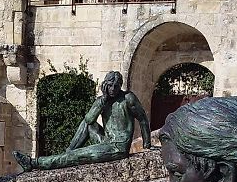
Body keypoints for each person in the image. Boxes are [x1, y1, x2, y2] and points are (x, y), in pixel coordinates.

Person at [13, 71, 151, 171]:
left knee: (77, 156)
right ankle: (69, 151)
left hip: (118, 147)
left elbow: (143, 119)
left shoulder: (128, 98)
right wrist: (102, 100)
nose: (113, 89)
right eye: (110, 86)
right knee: (87, 124)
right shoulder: (102, 100)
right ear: (105, 86)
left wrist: (147, 145)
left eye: (116, 86)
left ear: (120, 85)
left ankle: (34, 163)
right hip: (107, 141)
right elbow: (89, 120)